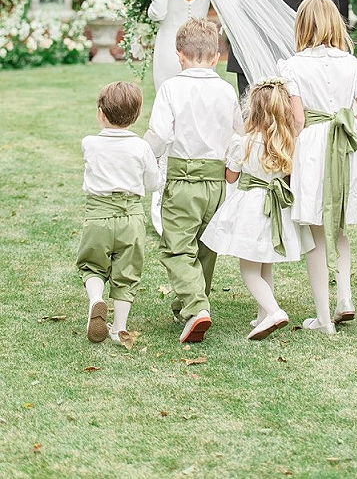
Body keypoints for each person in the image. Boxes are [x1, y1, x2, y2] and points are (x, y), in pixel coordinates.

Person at [278, 0, 357, 335]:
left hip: (314, 145)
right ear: (335, 25)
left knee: (316, 228)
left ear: (302, 26)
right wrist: (344, 125)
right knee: (339, 225)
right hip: (346, 142)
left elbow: (297, 119)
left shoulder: (293, 66)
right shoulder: (352, 64)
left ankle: (324, 319)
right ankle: (344, 299)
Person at [144, 17, 243, 343]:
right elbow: (239, 135)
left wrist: (147, 157)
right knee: (204, 248)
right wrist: (232, 168)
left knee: (176, 248)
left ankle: (197, 306)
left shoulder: (172, 88)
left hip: (184, 180)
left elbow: (160, 133)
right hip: (216, 184)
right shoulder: (227, 90)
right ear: (216, 57)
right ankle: (184, 304)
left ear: (179, 55)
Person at [202, 78, 310, 341]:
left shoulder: (245, 142)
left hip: (251, 208)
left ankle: (273, 311)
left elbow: (230, 177)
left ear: (254, 111)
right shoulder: (287, 143)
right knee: (265, 265)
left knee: (249, 269)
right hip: (274, 209)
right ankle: (263, 314)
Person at [77, 82, 161, 345]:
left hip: (98, 217)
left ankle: (96, 300)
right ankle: (118, 328)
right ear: (136, 116)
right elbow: (153, 183)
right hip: (131, 220)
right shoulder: (141, 147)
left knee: (92, 265)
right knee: (127, 272)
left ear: (101, 113)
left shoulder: (89, 143)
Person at [147, 0, 211, 234]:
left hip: (170, 48)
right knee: (196, 118)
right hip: (200, 47)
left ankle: (160, 201)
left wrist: (143, 3)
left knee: (166, 119)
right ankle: (198, 198)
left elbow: (158, 11)